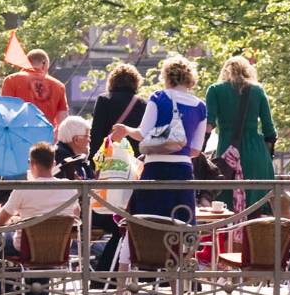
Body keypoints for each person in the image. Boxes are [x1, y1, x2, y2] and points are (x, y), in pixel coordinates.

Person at [112, 55, 207, 221]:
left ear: (167, 76)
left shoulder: (159, 98)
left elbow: (142, 134)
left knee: (149, 223)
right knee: (181, 224)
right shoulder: (200, 107)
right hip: (183, 171)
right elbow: (195, 150)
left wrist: (126, 130)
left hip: (155, 168)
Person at [205, 56, 277, 211]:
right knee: (258, 208)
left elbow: (208, 124)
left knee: (227, 208)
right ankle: (255, 236)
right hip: (257, 155)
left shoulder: (215, 90)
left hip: (227, 154)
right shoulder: (257, 91)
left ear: (225, 71)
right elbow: (269, 130)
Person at [0, 142, 79, 255]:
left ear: (31, 163)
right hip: (60, 248)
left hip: (27, 248)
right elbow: (76, 215)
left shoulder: (23, 189)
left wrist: (12, 217)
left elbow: (1, 222)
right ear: (53, 164)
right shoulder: (69, 188)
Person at [1, 48, 69, 127]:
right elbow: (63, 119)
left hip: (18, 134)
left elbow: (6, 110)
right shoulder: (59, 86)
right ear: (44, 64)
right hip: (46, 135)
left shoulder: (11, 80)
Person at [90, 63, 145, 156]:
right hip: (133, 160)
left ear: (112, 81)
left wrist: (93, 159)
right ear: (136, 81)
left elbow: (96, 133)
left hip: (109, 157)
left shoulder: (104, 100)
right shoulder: (142, 103)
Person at [54, 116, 94, 180]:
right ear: (76, 140)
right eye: (87, 136)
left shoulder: (77, 157)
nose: (89, 140)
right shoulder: (64, 159)